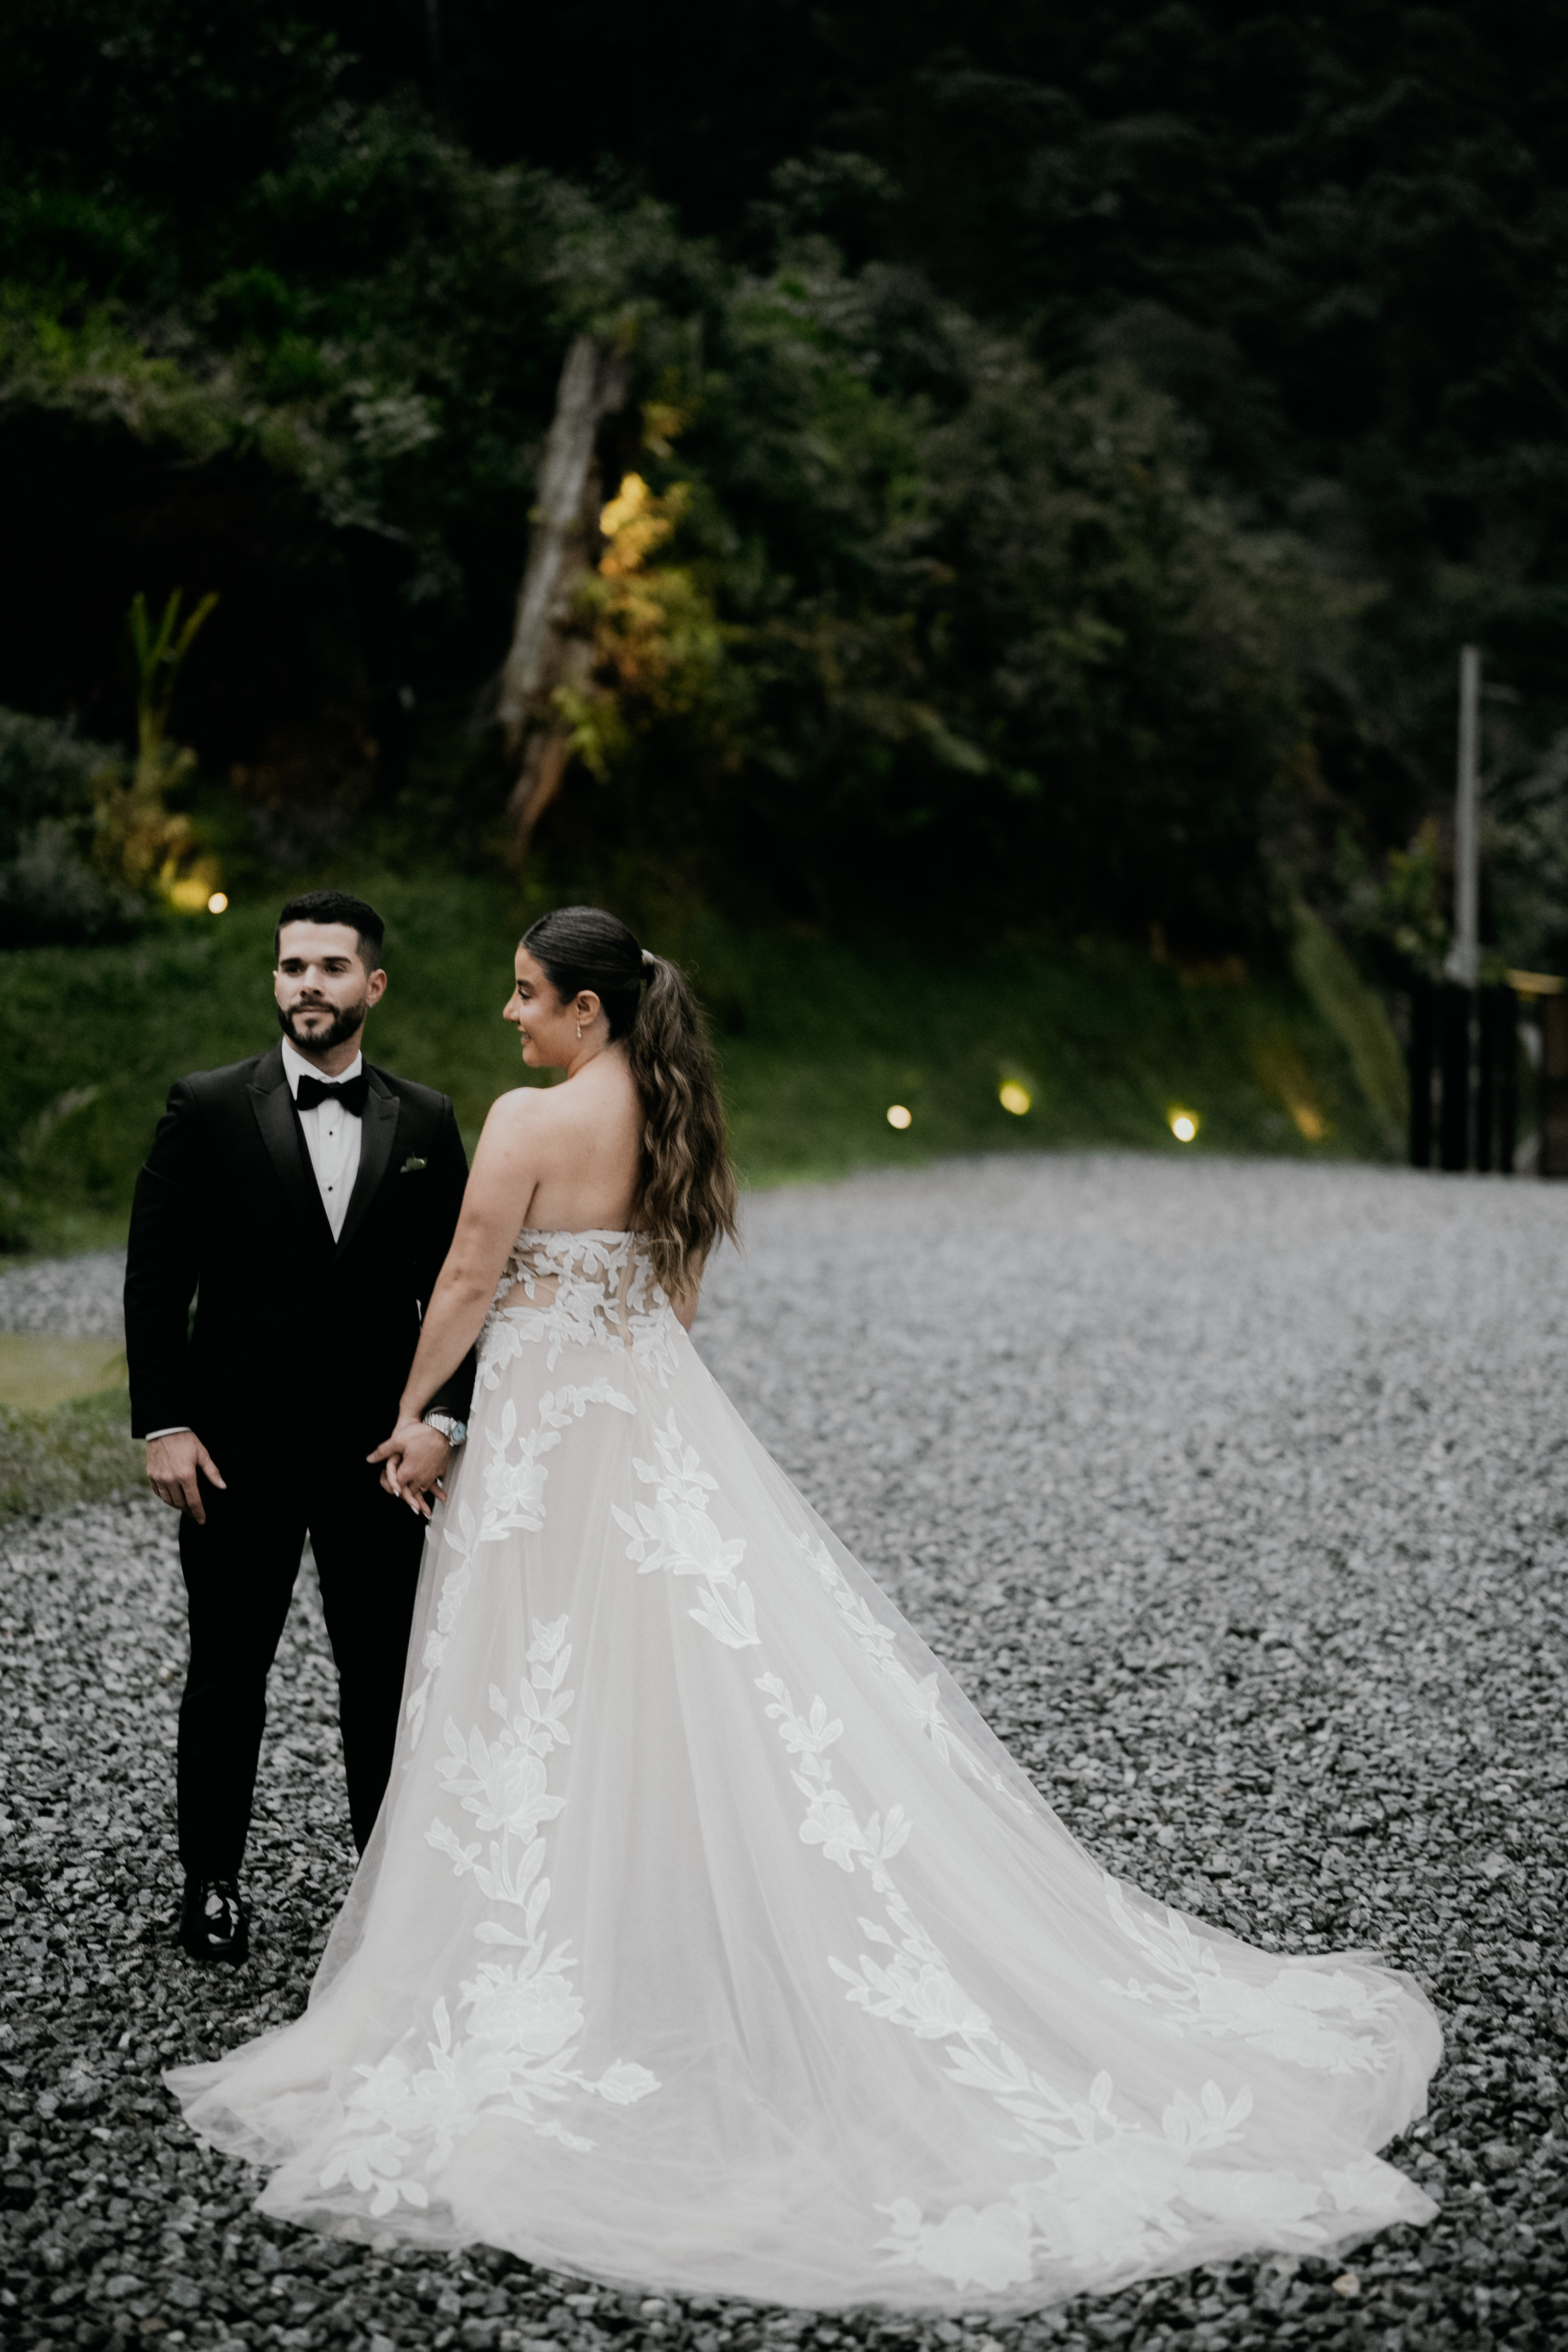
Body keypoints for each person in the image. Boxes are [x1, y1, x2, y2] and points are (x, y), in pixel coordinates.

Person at [168, 906, 1441, 2313]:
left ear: (587, 1009)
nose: (510, 1016)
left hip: (545, 1431)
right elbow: (674, 1302)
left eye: (527, 995)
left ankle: (570, 1935)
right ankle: (660, 1920)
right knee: (681, 1664)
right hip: (645, 1415)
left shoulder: (529, 1122)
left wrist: (420, 1413)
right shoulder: (674, 1110)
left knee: (539, 1677)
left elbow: (471, 1278)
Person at [124, 889, 475, 1968]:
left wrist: (445, 1420)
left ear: (374, 984)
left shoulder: (426, 1121)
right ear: (275, 979)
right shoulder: (206, 1106)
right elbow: (156, 1278)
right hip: (236, 1453)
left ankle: (387, 1894)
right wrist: (165, 1422)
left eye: (331, 967)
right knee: (229, 1673)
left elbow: (462, 1289)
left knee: (381, 1679)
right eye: (292, 967)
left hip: (379, 1456)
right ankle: (212, 1884)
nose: (308, 985)